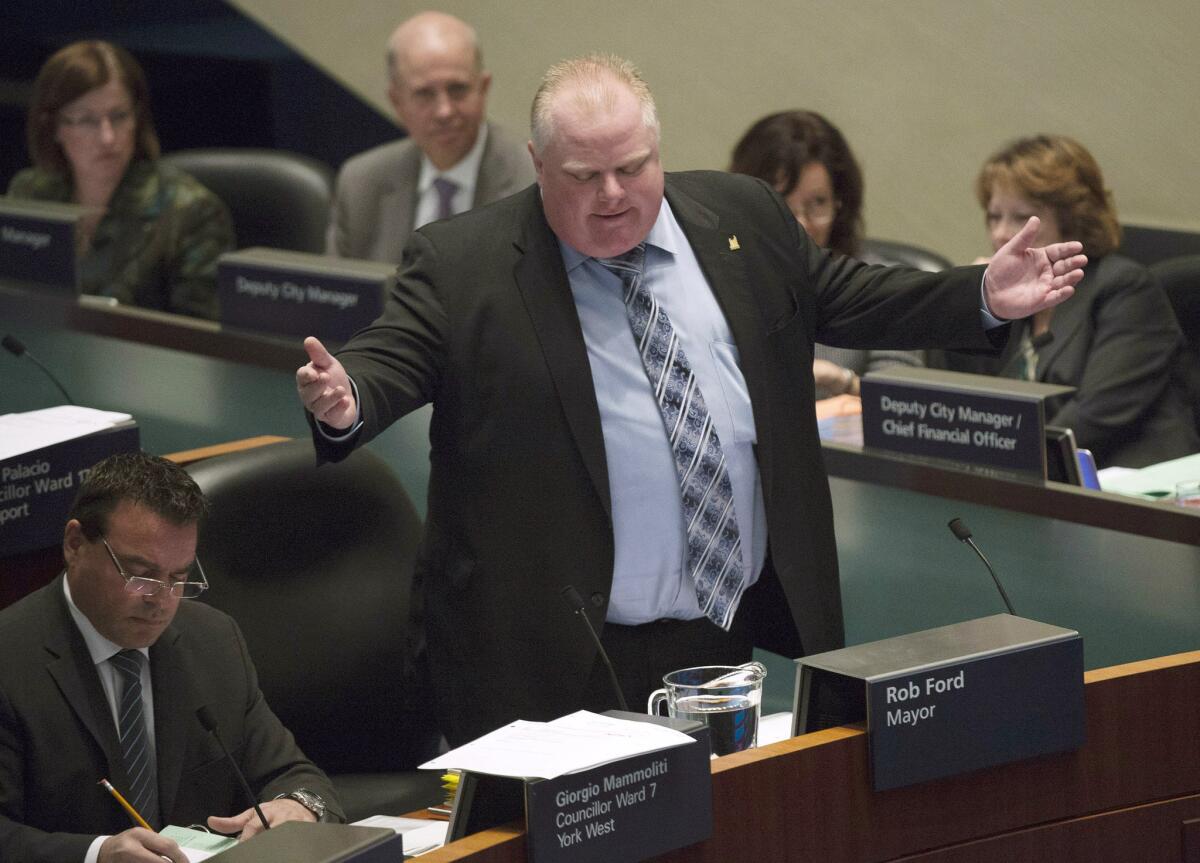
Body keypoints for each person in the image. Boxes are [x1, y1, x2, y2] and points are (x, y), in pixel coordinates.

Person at [296, 54, 1085, 747]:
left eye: (633, 167)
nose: (613, 194)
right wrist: (347, 398)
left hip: (717, 633)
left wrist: (981, 292)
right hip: (553, 651)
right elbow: (390, 358)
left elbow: (853, 295)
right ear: (538, 162)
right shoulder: (467, 262)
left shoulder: (741, 216)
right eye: (583, 177)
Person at [0, 452, 342, 863]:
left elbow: (294, 775)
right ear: (75, 544)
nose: (161, 601)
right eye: (140, 574)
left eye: (179, 577)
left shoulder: (213, 640)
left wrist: (299, 806)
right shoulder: (10, 660)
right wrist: (96, 855)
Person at [947, 134, 1197, 468]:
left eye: (1021, 217)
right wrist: (974, 303)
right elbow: (960, 394)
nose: (1001, 234)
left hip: (1131, 484)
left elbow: (1095, 417)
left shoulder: (1125, 289)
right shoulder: (1013, 297)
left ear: (1072, 218)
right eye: (995, 216)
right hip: (1040, 477)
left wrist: (998, 455)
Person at [7, 41, 234, 320]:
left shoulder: (191, 212)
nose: (107, 138)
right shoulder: (30, 193)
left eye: (119, 116)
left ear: (137, 118)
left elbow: (206, 342)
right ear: (53, 126)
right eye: (86, 120)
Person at [730, 110, 924, 417]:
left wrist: (845, 382)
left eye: (817, 204)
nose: (800, 225)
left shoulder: (879, 285)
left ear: (839, 204)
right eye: (781, 204)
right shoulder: (721, 281)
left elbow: (904, 406)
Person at [326, 11, 533, 262]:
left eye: (457, 89)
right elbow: (342, 296)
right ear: (397, 101)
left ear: (483, 88)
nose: (444, 111)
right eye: (424, 94)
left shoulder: (534, 182)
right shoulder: (362, 183)